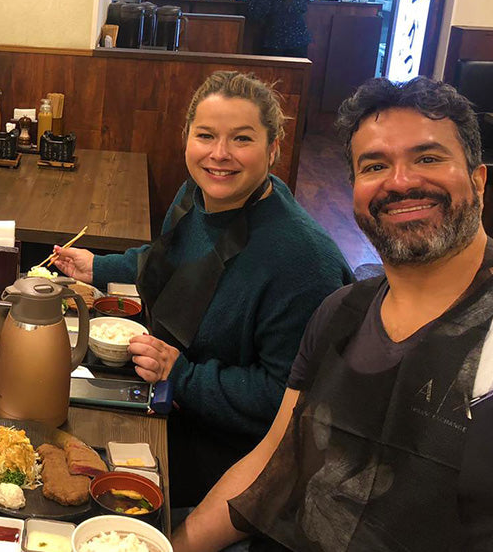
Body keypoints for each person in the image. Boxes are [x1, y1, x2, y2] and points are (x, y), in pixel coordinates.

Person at [172, 76, 493, 552]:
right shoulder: (341, 313)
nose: (401, 182)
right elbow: (273, 458)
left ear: (478, 179)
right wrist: (171, 547)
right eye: (375, 165)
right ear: (356, 189)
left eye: (428, 158)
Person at [52, 71, 352, 505]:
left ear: (274, 149)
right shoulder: (196, 194)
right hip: (165, 398)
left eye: (242, 140)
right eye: (206, 135)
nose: (220, 154)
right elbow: (170, 261)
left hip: (235, 462)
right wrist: (97, 266)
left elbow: (288, 399)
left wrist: (183, 375)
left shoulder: (302, 260)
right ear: (186, 138)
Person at [246, 0, 313, 58]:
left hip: (272, 40)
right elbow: (303, 7)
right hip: (298, 40)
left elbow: (256, 13)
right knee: (297, 68)